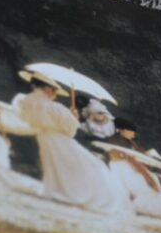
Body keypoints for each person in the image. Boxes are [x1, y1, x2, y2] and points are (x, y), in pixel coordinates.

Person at [13, 75, 131, 215]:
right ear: (48, 89)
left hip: (43, 138)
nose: (55, 95)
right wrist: (73, 117)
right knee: (89, 165)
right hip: (60, 140)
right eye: (54, 91)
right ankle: (78, 194)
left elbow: (23, 119)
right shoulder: (54, 106)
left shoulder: (24, 101)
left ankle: (59, 190)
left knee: (55, 165)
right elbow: (70, 131)